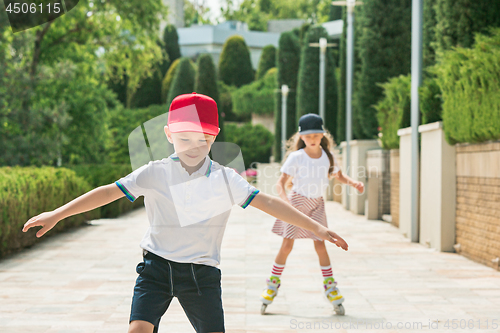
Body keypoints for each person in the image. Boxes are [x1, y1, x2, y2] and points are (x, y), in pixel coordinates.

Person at [22, 93, 349, 333]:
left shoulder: (226, 179)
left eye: (203, 139)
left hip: (201, 275)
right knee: (138, 329)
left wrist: (317, 228)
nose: (194, 146)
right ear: (168, 135)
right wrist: (58, 213)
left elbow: (269, 202)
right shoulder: (154, 172)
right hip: (155, 269)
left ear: (215, 137)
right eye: (184, 138)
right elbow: (108, 191)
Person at [259, 113, 364, 316]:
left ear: (322, 135)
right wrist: (287, 205)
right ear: (301, 137)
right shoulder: (296, 157)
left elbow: (338, 175)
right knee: (287, 245)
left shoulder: (328, 156)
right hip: (296, 202)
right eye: (308, 136)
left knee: (321, 244)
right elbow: (280, 184)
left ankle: (331, 288)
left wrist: (353, 183)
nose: (313, 139)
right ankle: (271, 286)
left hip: (317, 204)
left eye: (316, 135)